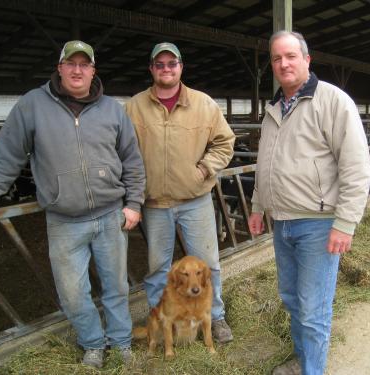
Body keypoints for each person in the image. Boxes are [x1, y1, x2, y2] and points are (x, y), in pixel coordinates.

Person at [0, 40, 146, 368]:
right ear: (60, 67)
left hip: (110, 214)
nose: (77, 70)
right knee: (73, 292)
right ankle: (93, 344)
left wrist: (134, 203)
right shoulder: (33, 105)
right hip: (64, 220)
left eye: (84, 64)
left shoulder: (112, 109)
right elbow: (7, 154)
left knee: (116, 286)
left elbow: (132, 160)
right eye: (71, 63)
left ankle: (121, 343)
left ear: (93, 70)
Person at [248, 31, 370, 375]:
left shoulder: (333, 101)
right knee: (292, 300)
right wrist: (259, 205)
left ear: (307, 60)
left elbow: (357, 166)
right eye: (276, 58)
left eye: (290, 56)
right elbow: (266, 162)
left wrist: (345, 223)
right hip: (283, 223)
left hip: (318, 225)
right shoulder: (273, 109)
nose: (283, 63)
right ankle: (303, 362)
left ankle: (313, 371)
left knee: (313, 308)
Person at [124, 42, 235, 343]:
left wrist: (203, 169)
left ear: (181, 67)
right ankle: (164, 319)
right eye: (159, 64)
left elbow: (225, 142)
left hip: (195, 200)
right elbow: (121, 149)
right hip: (155, 203)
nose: (166, 69)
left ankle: (216, 317)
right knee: (159, 268)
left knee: (207, 263)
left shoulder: (203, 104)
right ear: (151, 69)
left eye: (171, 64)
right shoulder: (133, 107)